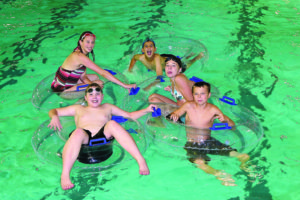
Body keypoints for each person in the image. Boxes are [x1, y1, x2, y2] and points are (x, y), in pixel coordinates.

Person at [48, 83, 156, 190]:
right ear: (85, 97)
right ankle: (65, 174)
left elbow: (130, 116)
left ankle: (140, 160)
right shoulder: (78, 108)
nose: (94, 96)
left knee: (112, 124)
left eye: (97, 93)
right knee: (77, 132)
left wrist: (146, 110)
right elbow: (53, 110)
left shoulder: (108, 107)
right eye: (91, 94)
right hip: (84, 140)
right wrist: (54, 117)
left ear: (102, 96)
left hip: (104, 138)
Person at [169, 81, 250, 186]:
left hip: (208, 141)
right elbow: (177, 113)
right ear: (192, 95)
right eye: (196, 94)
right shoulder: (188, 106)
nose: (199, 96)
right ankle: (218, 173)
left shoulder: (213, 109)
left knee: (238, 154)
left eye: (202, 93)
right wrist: (174, 115)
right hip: (193, 144)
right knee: (200, 163)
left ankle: (243, 161)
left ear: (209, 95)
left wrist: (225, 119)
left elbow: (232, 126)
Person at [51, 31, 136, 99]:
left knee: (95, 77)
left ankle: (86, 97)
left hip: (65, 84)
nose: (90, 45)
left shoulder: (79, 52)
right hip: (63, 91)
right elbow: (103, 73)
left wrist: (91, 84)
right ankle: (82, 103)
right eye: (87, 42)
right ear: (80, 42)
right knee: (99, 84)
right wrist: (125, 85)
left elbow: (83, 77)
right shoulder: (79, 56)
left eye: (92, 42)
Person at [128, 38, 204, 77]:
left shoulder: (156, 59)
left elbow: (159, 75)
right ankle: (189, 55)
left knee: (184, 66)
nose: (149, 48)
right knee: (182, 60)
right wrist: (130, 69)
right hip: (164, 57)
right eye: (146, 46)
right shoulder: (139, 57)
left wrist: (149, 86)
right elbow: (134, 58)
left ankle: (196, 57)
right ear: (142, 50)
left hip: (169, 61)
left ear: (155, 49)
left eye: (151, 46)